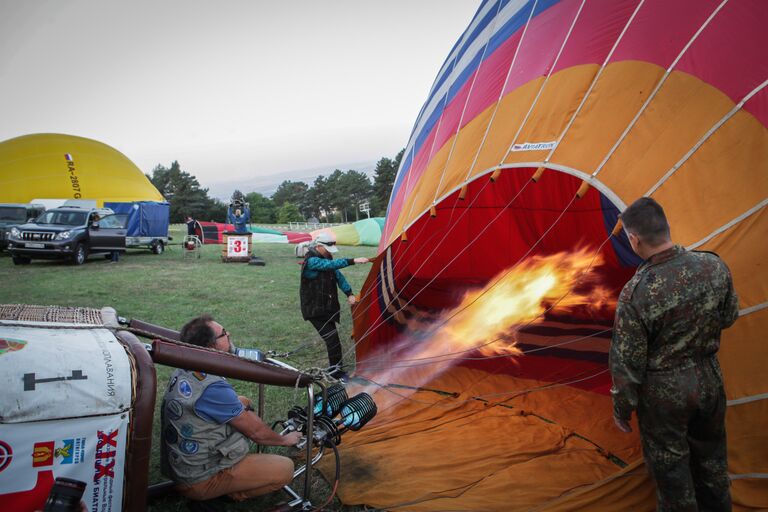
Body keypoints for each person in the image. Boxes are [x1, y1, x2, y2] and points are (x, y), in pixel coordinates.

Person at [609, 197, 739, 511]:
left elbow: (627, 364)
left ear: (634, 239)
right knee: (713, 466)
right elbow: (729, 316)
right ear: (666, 227)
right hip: (709, 381)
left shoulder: (636, 293)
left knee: (673, 478)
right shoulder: (713, 265)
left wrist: (622, 409)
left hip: (664, 396)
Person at [160, 315, 302, 511]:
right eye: (224, 334)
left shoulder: (186, 365)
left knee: (243, 400)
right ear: (210, 346)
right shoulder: (212, 387)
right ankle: (228, 494)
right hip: (199, 478)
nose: (229, 334)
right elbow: (257, 433)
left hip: (182, 466)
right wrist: (285, 440)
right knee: (285, 469)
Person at [300, 233, 371, 380]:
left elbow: (338, 276)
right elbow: (330, 266)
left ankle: (335, 370)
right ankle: (335, 373)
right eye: (326, 249)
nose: (328, 252)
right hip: (314, 309)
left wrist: (349, 293)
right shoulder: (312, 261)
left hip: (326, 308)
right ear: (318, 246)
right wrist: (353, 260)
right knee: (332, 340)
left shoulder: (325, 257)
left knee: (333, 340)